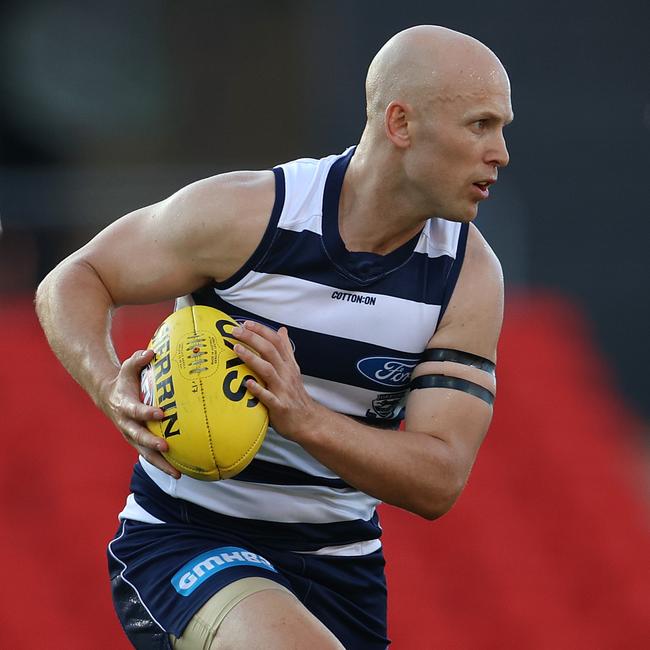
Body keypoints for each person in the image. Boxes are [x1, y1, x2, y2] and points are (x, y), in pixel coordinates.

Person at [36, 24, 512, 650]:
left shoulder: (468, 276)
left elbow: (439, 479)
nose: (500, 152)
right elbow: (74, 278)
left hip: (342, 566)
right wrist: (110, 389)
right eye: (481, 125)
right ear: (401, 124)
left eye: (502, 128)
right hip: (190, 538)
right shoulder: (251, 216)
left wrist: (304, 418)